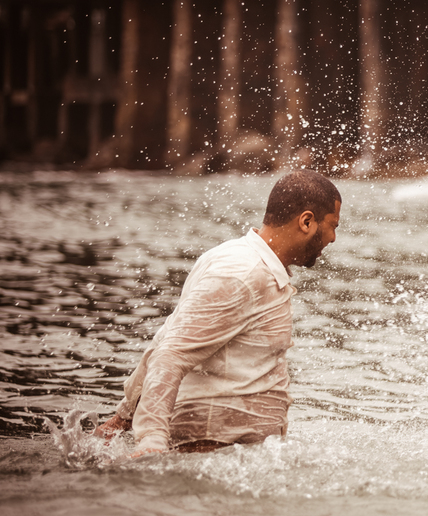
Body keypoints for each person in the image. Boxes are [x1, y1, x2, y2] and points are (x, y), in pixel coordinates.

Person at [94, 170, 341, 455]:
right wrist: (151, 440)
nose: (334, 238)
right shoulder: (243, 273)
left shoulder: (247, 263)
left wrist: (121, 419)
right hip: (209, 458)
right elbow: (171, 354)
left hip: (233, 461)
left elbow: (167, 337)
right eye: (333, 225)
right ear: (307, 221)